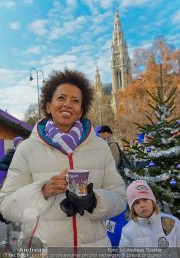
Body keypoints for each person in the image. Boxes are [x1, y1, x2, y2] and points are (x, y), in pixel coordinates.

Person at [0, 69, 126, 250]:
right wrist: (41, 192)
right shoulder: (28, 149)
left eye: (75, 101)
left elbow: (120, 198)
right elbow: (6, 205)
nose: (68, 104)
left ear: (81, 111)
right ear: (48, 106)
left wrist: (95, 201)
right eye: (61, 98)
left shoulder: (100, 147)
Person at [119, 180, 180, 248]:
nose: (142, 205)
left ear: (152, 201)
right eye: (136, 202)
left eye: (145, 199)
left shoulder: (172, 222)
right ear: (132, 208)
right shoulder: (128, 230)